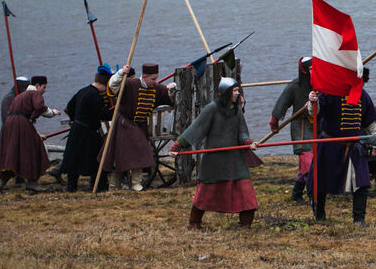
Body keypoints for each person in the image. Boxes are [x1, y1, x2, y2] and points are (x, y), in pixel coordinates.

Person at [170, 77, 258, 230]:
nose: (237, 93)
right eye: (235, 91)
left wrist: (248, 142)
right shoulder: (212, 108)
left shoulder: (237, 110)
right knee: (206, 193)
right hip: (215, 159)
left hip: (235, 158)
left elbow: (242, 132)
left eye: (238, 90)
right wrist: (178, 145)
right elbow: (196, 128)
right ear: (226, 92)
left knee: (246, 190)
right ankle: (194, 223)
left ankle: (245, 224)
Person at [306, 86, 376, 227]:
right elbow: (314, 113)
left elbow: (370, 121)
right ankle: (319, 216)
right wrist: (312, 101)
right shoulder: (328, 92)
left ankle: (359, 220)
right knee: (319, 181)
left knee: (361, 182)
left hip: (354, 147)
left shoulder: (362, 94)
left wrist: (375, 141)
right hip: (329, 145)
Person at [104, 63, 175, 191]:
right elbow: (112, 88)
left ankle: (137, 183)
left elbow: (171, 99)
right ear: (144, 76)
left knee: (140, 152)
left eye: (156, 78)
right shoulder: (130, 84)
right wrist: (120, 74)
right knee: (119, 155)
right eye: (152, 79)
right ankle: (114, 185)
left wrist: (172, 89)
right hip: (123, 124)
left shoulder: (157, 89)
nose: (155, 81)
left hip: (139, 126)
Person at [0, 76, 62, 193]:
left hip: (9, 126)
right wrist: (52, 113)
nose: (44, 91)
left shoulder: (19, 96)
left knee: (12, 155)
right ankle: (32, 182)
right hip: (21, 124)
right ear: (37, 86)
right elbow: (40, 107)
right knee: (37, 149)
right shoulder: (34, 94)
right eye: (44, 87)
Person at [59, 66, 115, 193]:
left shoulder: (82, 91)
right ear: (104, 84)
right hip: (88, 131)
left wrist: (75, 119)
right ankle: (98, 185)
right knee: (96, 159)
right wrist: (114, 112)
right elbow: (101, 114)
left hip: (76, 129)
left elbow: (69, 107)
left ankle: (71, 186)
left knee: (74, 159)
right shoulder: (95, 95)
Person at [269, 56, 314, 203]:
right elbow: (281, 104)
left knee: (311, 161)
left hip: (317, 124)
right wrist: (274, 122)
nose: (315, 71)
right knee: (307, 160)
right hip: (300, 125)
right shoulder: (295, 86)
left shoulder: (321, 84)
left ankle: (296, 193)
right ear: (305, 71)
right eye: (311, 69)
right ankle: (314, 195)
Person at [0, 76, 30, 186]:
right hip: (9, 131)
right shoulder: (9, 98)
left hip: (21, 130)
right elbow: (6, 117)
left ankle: (19, 177)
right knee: (2, 153)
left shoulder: (23, 98)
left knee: (21, 154)